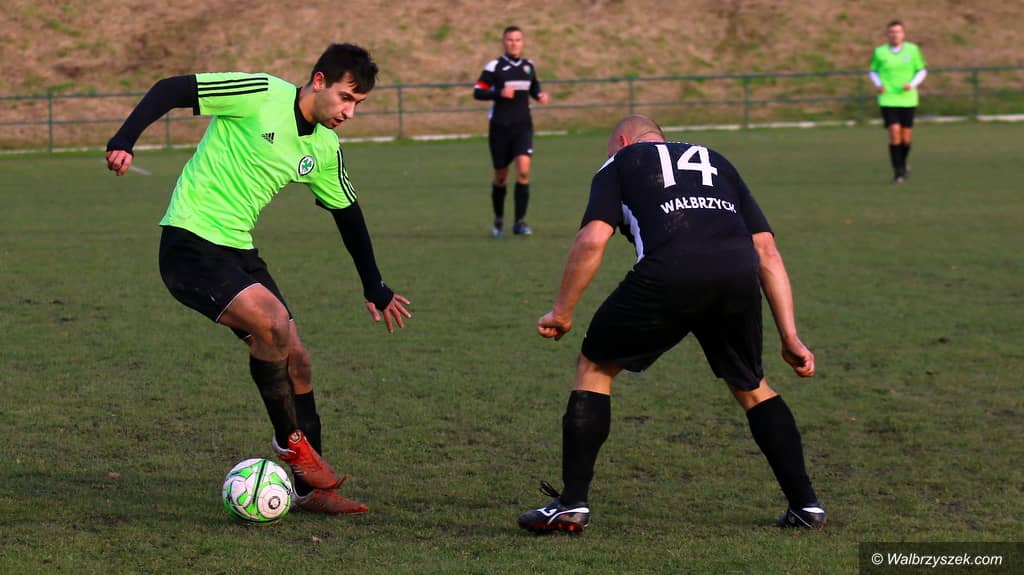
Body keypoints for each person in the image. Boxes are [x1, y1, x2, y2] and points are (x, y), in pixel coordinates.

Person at [105, 43, 412, 515]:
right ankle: (290, 443)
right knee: (272, 323)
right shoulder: (260, 92)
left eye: (359, 104)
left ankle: (311, 492)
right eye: (346, 97)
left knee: (299, 361)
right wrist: (125, 139)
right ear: (319, 81)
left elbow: (348, 213)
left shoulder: (324, 148)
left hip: (238, 250)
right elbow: (171, 89)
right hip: (189, 242)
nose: (350, 112)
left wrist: (374, 284)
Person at [517, 115, 824, 534]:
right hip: (736, 275)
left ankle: (572, 504)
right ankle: (806, 505)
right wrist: (790, 336)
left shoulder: (621, 162)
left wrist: (561, 311)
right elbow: (766, 249)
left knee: (595, 366)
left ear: (623, 141)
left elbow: (592, 239)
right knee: (752, 386)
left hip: (670, 272)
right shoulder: (716, 160)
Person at [473, 25, 550, 237]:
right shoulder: (494, 66)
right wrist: (499, 93)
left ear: (522, 42)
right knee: (501, 177)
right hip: (500, 129)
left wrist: (539, 95)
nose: (514, 43)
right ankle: (499, 220)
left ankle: (519, 222)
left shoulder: (528, 66)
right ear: (503, 42)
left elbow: (533, 87)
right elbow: (478, 92)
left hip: (523, 127)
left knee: (523, 171)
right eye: (510, 40)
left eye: (517, 40)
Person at [870, 19, 927, 184]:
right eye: (892, 32)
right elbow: (873, 71)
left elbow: (922, 70)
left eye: (898, 32)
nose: (895, 35)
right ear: (887, 34)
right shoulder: (880, 52)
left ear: (903, 34)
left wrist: (912, 84)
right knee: (894, 133)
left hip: (908, 99)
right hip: (888, 98)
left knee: (906, 138)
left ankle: (903, 163)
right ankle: (898, 172)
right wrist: (878, 85)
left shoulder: (912, 50)